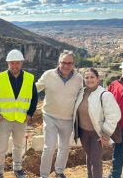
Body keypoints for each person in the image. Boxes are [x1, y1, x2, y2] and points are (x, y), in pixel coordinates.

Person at [0, 49, 38, 178]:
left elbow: (34, 98)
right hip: (4, 119)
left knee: (18, 145)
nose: (14, 66)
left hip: (21, 119)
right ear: (8, 63)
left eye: (17, 63)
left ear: (21, 63)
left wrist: (30, 114)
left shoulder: (29, 78)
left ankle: (18, 168)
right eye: (12, 63)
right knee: (0, 148)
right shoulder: (0, 78)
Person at [37, 50, 83, 178]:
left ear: (73, 64)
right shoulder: (48, 75)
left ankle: (59, 171)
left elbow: (82, 97)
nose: (66, 66)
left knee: (64, 147)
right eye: (64, 62)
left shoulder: (78, 78)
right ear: (59, 62)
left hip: (68, 119)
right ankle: (44, 175)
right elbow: (35, 89)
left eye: (69, 63)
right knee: (49, 147)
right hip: (50, 116)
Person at [73, 68, 121, 178]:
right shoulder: (82, 92)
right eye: (87, 77)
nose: (89, 80)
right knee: (89, 156)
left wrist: (105, 134)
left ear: (98, 79)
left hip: (98, 134)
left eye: (92, 77)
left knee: (95, 160)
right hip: (83, 132)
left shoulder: (105, 95)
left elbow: (114, 115)